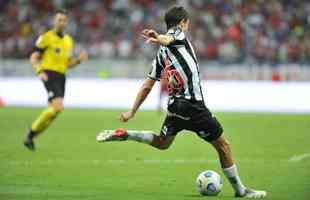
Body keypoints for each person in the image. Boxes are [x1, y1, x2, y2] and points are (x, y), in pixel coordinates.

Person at [97, 6, 266, 198]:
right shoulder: (176, 34)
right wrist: (158, 36)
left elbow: (147, 85)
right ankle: (241, 191)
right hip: (193, 105)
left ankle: (127, 135)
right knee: (223, 145)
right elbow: (168, 38)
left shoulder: (161, 55)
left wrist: (132, 112)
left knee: (162, 143)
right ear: (182, 23)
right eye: (187, 22)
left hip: (175, 108)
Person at [23, 10, 88, 151]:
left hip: (61, 77)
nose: (62, 23)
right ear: (54, 21)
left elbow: (68, 64)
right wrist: (39, 71)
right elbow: (33, 57)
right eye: (59, 20)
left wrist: (79, 60)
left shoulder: (68, 40)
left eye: (64, 20)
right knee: (58, 107)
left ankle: (31, 136)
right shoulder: (46, 37)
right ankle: (30, 132)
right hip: (49, 74)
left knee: (54, 112)